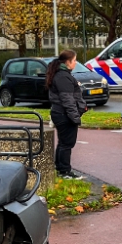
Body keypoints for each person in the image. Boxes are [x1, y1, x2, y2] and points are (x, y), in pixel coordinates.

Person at [47, 50, 86, 179]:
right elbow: (67, 100)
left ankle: (60, 168)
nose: (75, 63)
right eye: (74, 60)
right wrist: (75, 118)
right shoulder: (63, 77)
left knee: (63, 143)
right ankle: (65, 171)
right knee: (67, 144)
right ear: (68, 62)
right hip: (64, 115)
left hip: (60, 113)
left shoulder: (61, 75)